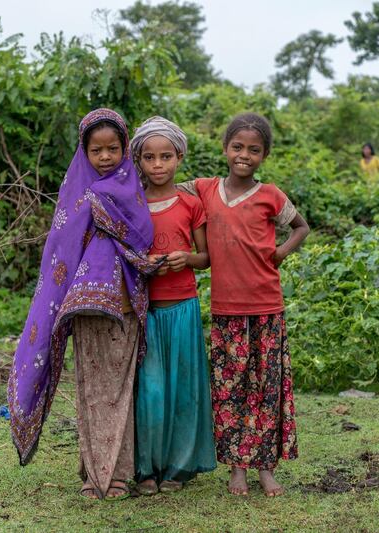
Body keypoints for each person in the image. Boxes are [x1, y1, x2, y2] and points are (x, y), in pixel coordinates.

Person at [8, 108, 159, 501]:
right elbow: (60, 255)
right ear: (85, 151)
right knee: (91, 393)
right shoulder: (75, 195)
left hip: (125, 308)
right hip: (83, 312)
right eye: (96, 150)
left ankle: (120, 475)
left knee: (121, 392)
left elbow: (141, 239)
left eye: (112, 149)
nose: (105, 157)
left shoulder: (134, 190)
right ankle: (95, 476)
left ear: (125, 149)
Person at [177, 112, 309, 497]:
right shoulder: (203, 189)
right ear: (224, 149)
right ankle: (237, 469)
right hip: (226, 311)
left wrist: (281, 252)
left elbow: (300, 226)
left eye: (253, 149)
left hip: (267, 307)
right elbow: (163, 187)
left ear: (264, 154)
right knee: (230, 391)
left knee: (266, 390)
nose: (244, 155)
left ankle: (266, 468)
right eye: (237, 147)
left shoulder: (271, 195)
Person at [129, 117, 217, 496]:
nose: (158, 164)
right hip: (144, 309)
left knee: (182, 388)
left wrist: (185, 258)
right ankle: (146, 467)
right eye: (149, 157)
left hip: (182, 306)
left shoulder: (190, 204)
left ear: (179, 157)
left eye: (166, 156)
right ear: (139, 161)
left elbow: (206, 256)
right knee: (150, 391)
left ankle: (179, 467)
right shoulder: (131, 202)